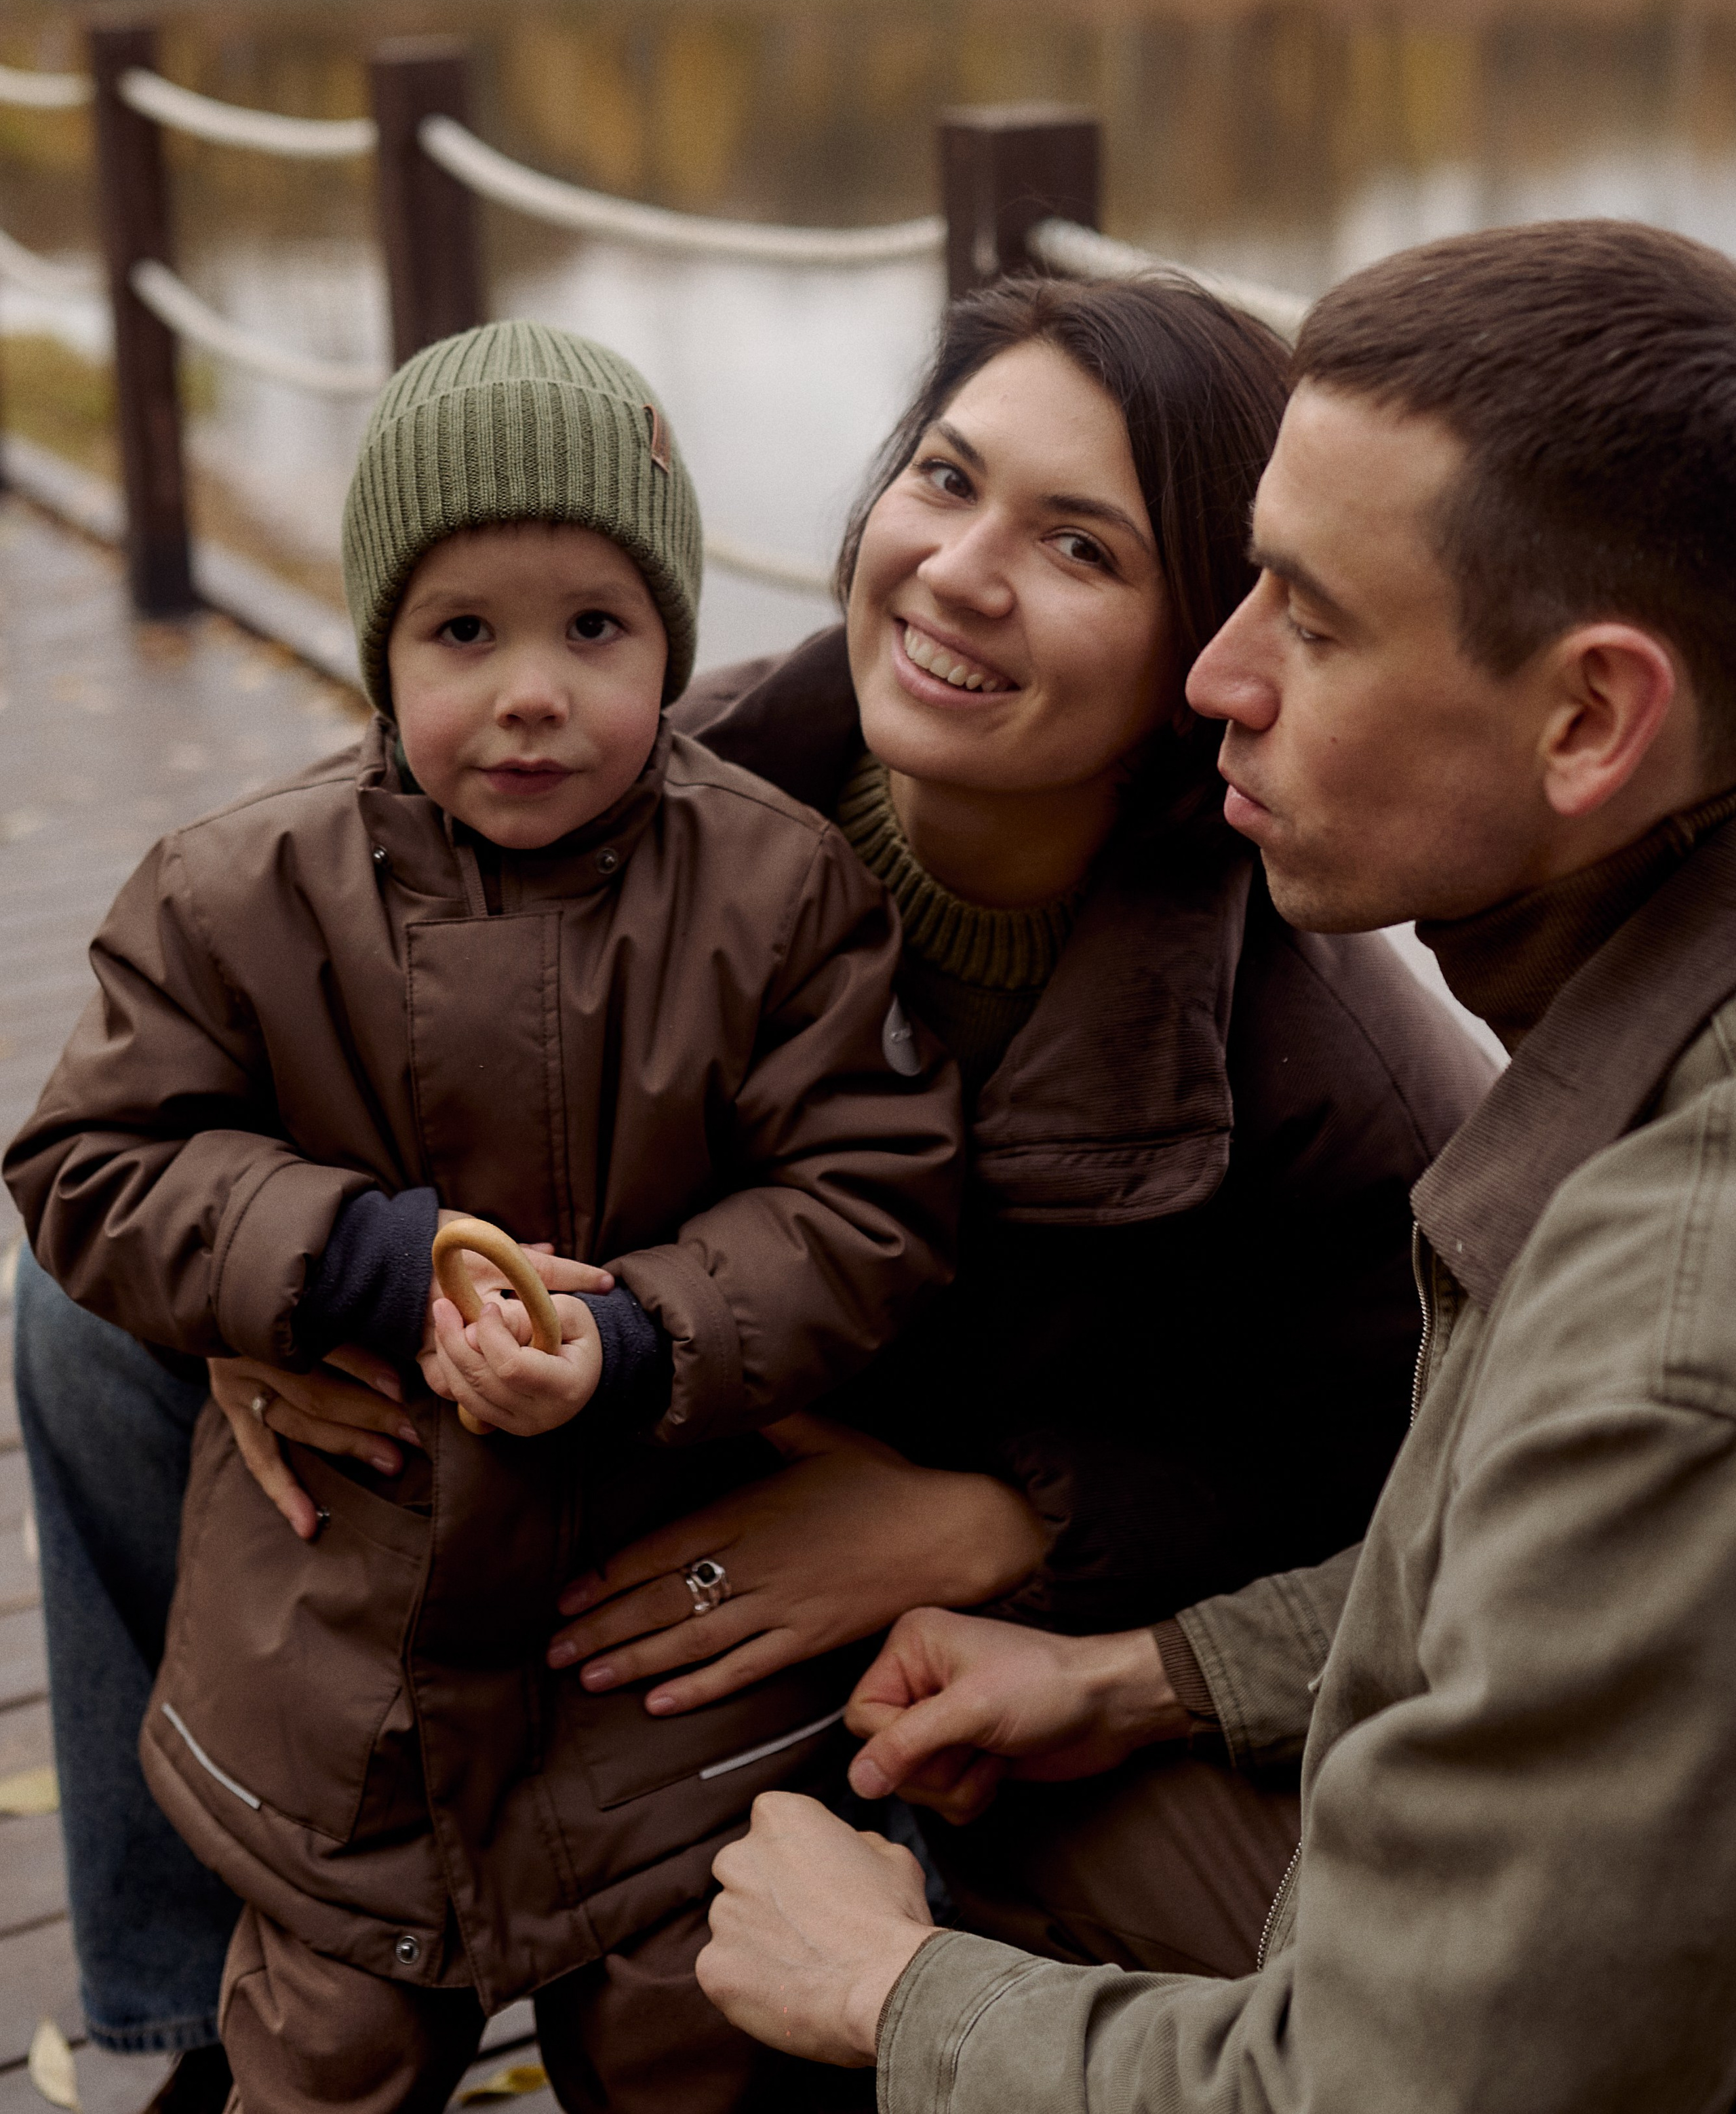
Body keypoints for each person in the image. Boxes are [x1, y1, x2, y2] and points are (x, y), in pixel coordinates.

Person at [13, 279, 1487, 2105]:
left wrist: (1006, 1526)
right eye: (944, 478)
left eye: (1081, 547)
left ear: (1208, 638)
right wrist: (296, 1282)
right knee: (90, 1308)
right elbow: (312, 930)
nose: (960, 569)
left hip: (987, 1607)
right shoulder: (675, 763)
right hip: (630, 1420)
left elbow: (1419, 1500)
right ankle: (188, 2007)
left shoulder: (1332, 1062)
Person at [692, 216, 1736, 2114]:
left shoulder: (1655, 1290)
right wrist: (1142, 1673)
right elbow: (1536, 1577)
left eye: (1311, 621)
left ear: (1593, 718)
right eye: (1246, 586)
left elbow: (1398, 2086)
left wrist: (888, 1989)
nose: (1221, 675)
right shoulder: (694, 791)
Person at [5, 321, 962, 2114]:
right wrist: (342, 1256)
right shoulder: (240, 891)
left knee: (696, 2033)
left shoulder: (776, 890)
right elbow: (93, 1161)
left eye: (594, 628)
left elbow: (870, 1197)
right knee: (328, 2038)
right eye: (465, 633)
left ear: (671, 635)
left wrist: (639, 1334)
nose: (533, 690)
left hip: (652, 1650)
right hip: (337, 1634)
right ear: (380, 648)